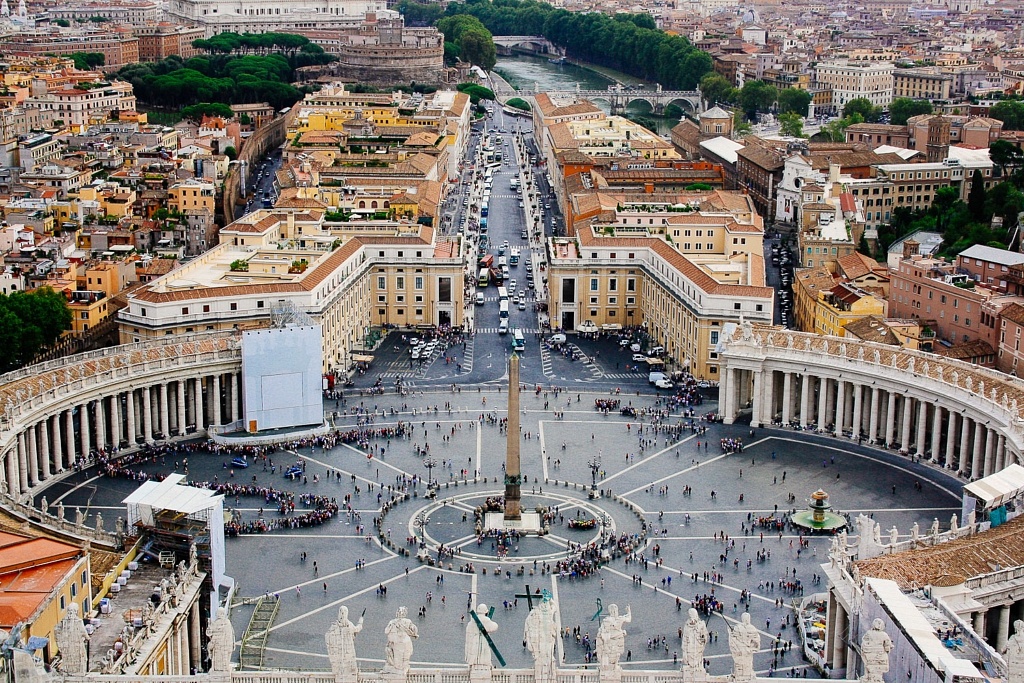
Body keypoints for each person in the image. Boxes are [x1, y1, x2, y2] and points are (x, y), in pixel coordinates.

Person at [524, 597, 558, 683]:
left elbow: (554, 607)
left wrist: (550, 599)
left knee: (547, 656)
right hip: (543, 640)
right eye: (544, 603)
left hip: (547, 640)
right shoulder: (540, 614)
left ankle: (547, 673)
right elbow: (554, 606)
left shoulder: (547, 613)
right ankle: (546, 674)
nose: (545, 605)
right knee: (544, 657)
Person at [326, 605, 363, 683]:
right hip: (348, 653)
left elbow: (328, 637)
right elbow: (357, 629)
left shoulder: (334, 626)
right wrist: (360, 622)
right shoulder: (349, 625)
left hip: (340, 655)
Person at [384, 606, 418, 675]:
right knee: (405, 658)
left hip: (398, 642)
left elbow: (386, 631)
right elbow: (414, 630)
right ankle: (403, 669)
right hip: (404, 641)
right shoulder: (407, 621)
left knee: (399, 660)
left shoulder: (393, 622)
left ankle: (400, 669)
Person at [597, 604, 631, 671]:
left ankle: (607, 666)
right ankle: (615, 665)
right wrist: (629, 611)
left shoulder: (606, 620)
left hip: (608, 640)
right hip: (618, 639)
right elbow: (629, 619)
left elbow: (601, 631)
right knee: (617, 653)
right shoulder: (620, 619)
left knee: (608, 653)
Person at [728, 613, 760, 682]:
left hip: (739, 651)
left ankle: (740, 676)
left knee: (739, 666)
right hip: (748, 652)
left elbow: (733, 636)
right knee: (747, 665)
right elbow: (757, 640)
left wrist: (731, 633)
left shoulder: (738, 627)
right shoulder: (752, 628)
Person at [465, 603, 499, 668]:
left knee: (475, 654)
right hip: (484, 640)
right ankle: (485, 664)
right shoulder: (486, 620)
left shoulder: (472, 622)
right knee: (485, 654)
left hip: (475, 642)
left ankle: (475, 663)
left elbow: (468, 633)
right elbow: (494, 627)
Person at [860, 618, 893, 683]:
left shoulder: (869, 633)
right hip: (880, 655)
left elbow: (864, 642)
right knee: (878, 670)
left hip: (870, 655)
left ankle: (867, 677)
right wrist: (889, 648)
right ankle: (877, 680)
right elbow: (887, 645)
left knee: (868, 666)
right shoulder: (884, 634)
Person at [681, 607, 708, 676]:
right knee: (691, 663)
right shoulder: (687, 626)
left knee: (697, 662)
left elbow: (705, 636)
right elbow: (684, 639)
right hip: (690, 647)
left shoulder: (701, 624)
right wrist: (684, 651)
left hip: (698, 647)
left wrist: (703, 638)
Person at [208, 606, 235, 672]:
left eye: (217, 613)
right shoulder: (227, 622)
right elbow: (232, 634)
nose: (216, 614)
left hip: (219, 646)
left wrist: (210, 645)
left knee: (218, 660)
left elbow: (210, 633)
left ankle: (218, 669)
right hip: (227, 646)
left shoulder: (216, 623)